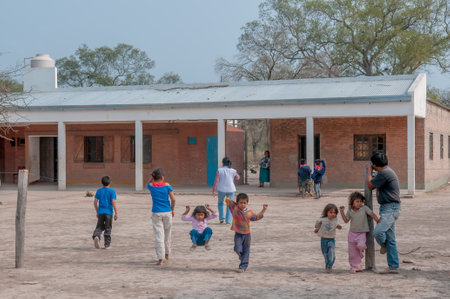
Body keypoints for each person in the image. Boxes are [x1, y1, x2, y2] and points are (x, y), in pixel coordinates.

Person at [366, 152, 401, 274]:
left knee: (378, 232)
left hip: (390, 209)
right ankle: (393, 267)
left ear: (375, 164)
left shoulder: (385, 173)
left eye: (372, 164)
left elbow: (370, 185)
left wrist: (369, 171)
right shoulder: (386, 171)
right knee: (391, 239)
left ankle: (384, 245)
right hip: (389, 208)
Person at [339, 192, 381, 273]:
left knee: (361, 245)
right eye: (357, 201)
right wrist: (342, 212)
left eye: (361, 201)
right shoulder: (350, 211)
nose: (359, 203)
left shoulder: (364, 208)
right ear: (352, 202)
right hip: (352, 234)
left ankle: (360, 253)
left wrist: (377, 220)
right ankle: (355, 267)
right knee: (352, 253)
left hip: (361, 233)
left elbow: (372, 214)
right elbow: (346, 221)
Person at [225, 193, 268, 272]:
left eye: (244, 203)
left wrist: (263, 210)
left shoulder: (249, 212)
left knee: (246, 250)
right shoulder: (234, 208)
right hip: (238, 233)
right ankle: (241, 256)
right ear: (237, 202)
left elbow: (256, 217)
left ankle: (243, 267)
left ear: (247, 203)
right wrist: (227, 194)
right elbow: (228, 200)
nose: (242, 204)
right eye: (241, 202)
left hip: (247, 234)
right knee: (237, 248)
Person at [147, 168, 176, 266]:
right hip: (167, 212)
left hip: (156, 213)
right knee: (167, 234)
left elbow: (149, 182)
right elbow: (173, 199)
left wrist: (152, 178)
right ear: (163, 177)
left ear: (153, 177)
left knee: (159, 236)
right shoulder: (167, 186)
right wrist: (172, 209)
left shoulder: (151, 186)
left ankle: (160, 259)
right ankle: (167, 254)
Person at [314, 203, 342, 273]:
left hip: (331, 240)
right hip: (323, 240)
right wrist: (317, 228)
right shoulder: (323, 219)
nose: (333, 214)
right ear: (326, 212)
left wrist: (338, 226)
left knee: (332, 254)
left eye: (334, 213)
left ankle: (330, 265)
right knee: (325, 254)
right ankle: (327, 266)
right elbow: (317, 222)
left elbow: (335, 225)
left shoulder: (335, 219)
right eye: (331, 212)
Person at [92, 175, 118, 250]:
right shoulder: (112, 191)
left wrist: (97, 212)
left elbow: (95, 202)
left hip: (101, 212)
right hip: (109, 213)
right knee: (108, 228)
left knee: (99, 226)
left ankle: (96, 236)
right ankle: (107, 245)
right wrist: (116, 212)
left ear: (101, 182)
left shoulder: (99, 191)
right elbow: (113, 202)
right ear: (110, 183)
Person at [212, 157, 240, 224]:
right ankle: (228, 220)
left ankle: (221, 218)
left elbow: (216, 181)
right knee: (230, 205)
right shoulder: (233, 170)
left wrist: (214, 190)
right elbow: (237, 178)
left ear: (222, 163)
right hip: (231, 189)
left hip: (221, 189)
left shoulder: (219, 170)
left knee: (220, 203)